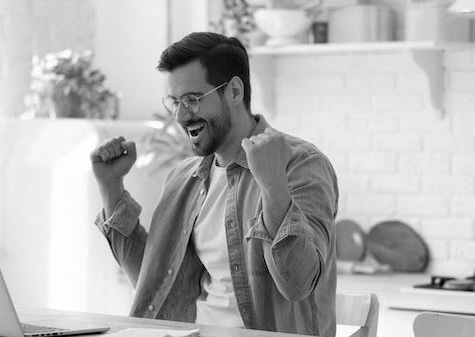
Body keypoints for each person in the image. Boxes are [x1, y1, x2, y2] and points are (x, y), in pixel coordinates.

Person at [89, 32, 338, 337]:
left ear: (234, 91)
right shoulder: (185, 178)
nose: (181, 116)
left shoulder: (301, 163)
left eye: (193, 100)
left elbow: (298, 283)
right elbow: (154, 284)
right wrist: (111, 187)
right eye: (175, 102)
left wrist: (273, 185)